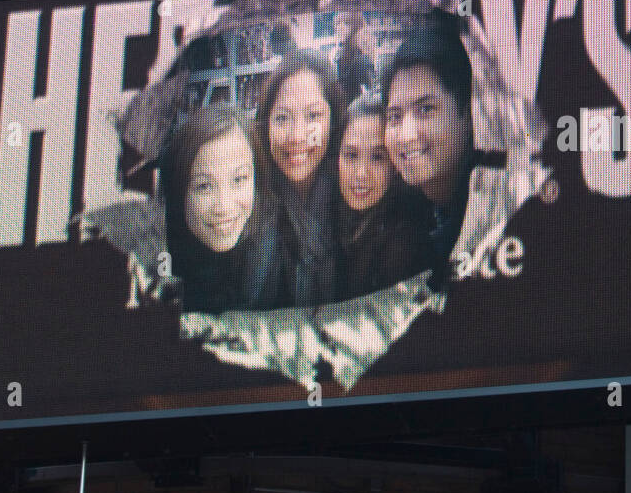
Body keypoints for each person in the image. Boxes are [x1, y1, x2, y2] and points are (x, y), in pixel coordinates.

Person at [382, 21, 476, 287]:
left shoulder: (488, 225)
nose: (405, 135)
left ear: (468, 116)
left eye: (426, 109)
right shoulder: (407, 216)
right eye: (394, 117)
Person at [158, 104, 279, 313]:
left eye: (239, 179)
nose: (224, 206)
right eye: (204, 186)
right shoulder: (157, 260)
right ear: (179, 191)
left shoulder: (273, 250)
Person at [256, 51, 346, 307]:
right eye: (282, 118)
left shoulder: (356, 197)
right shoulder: (245, 204)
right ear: (267, 124)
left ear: (333, 121)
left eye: (313, 116)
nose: (296, 136)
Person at [335, 95, 432, 299]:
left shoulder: (404, 244)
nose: (361, 173)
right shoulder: (332, 218)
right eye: (351, 155)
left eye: (377, 157)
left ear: (394, 165)